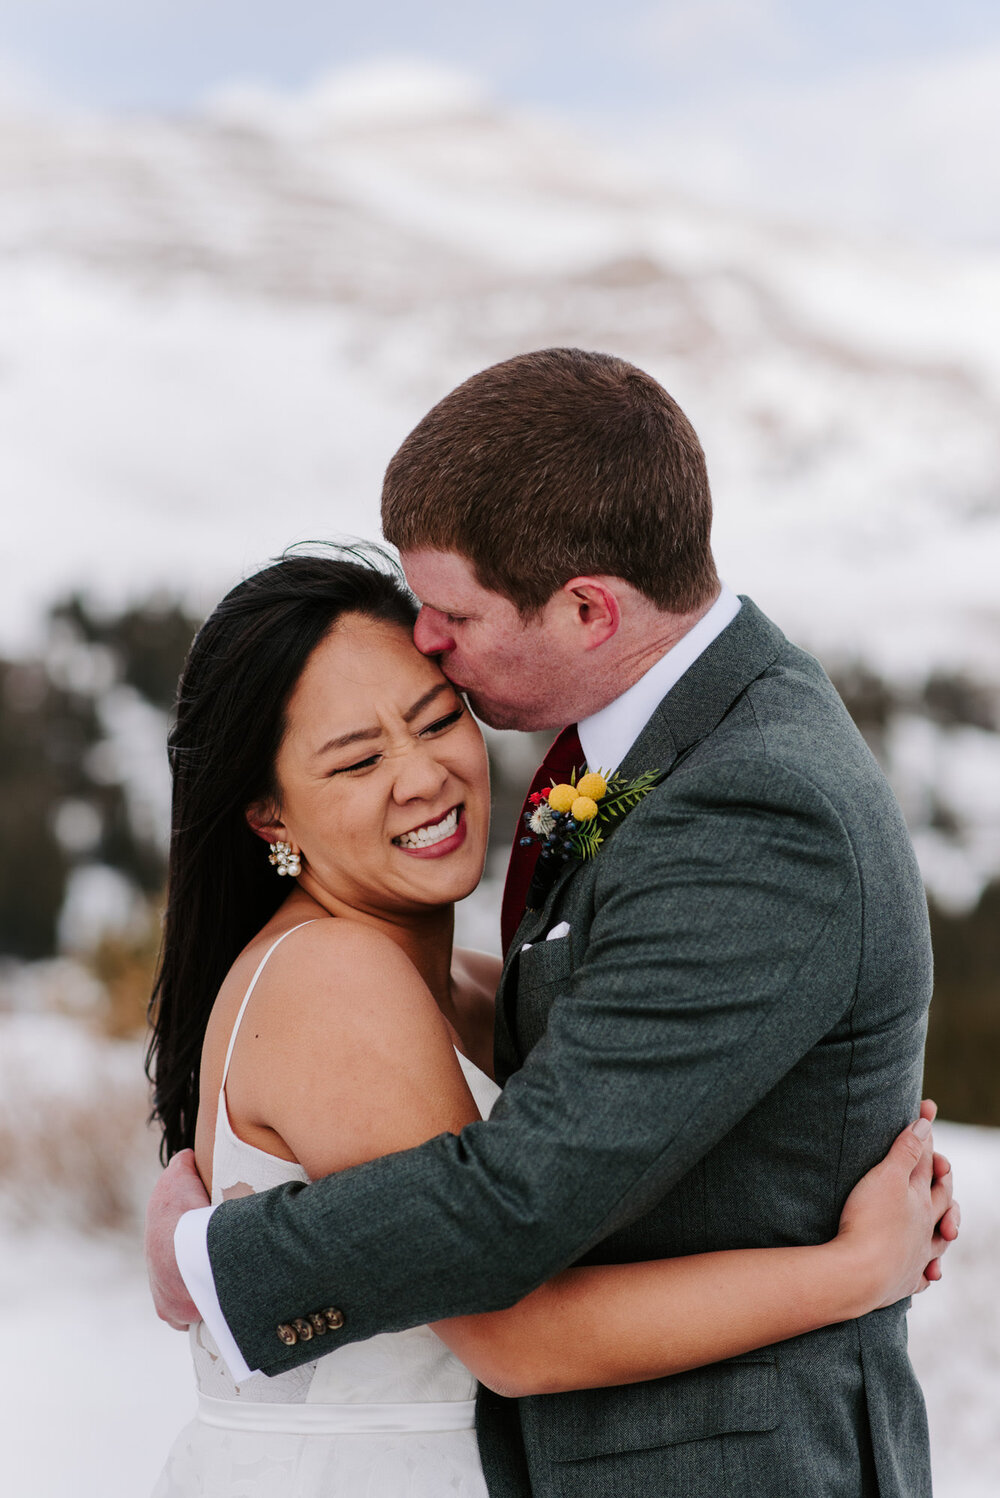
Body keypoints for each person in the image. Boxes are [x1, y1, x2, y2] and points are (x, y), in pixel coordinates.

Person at [148, 351, 953, 1498]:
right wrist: (851, 1267)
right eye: (358, 755)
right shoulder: (351, 968)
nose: (428, 641)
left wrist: (211, 1260)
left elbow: (509, 1196)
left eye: (449, 626)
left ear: (587, 606)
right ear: (271, 811)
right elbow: (518, 1275)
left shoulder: (749, 800)